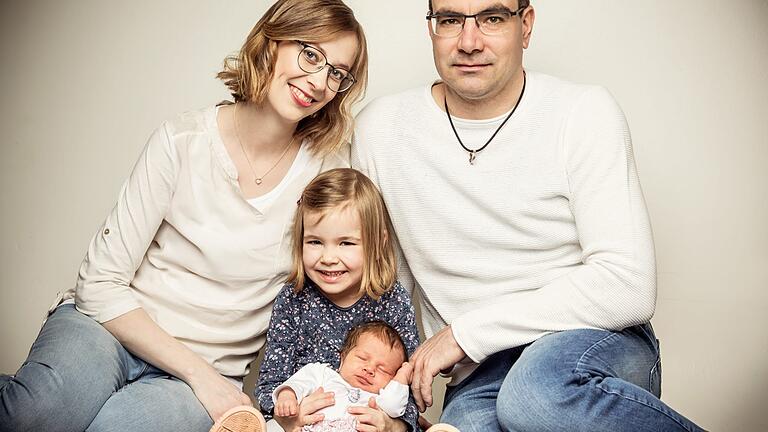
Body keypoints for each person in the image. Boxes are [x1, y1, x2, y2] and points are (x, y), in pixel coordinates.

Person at [0, 1, 367, 431]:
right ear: (273, 40)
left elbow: (351, 270)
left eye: (337, 73)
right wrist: (199, 373)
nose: (320, 81)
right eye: (310, 54)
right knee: (37, 415)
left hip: (203, 377)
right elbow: (99, 283)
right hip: (109, 330)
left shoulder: (326, 172)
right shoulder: (182, 141)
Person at [352, 1, 706, 431]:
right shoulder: (382, 129)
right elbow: (387, 281)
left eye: (492, 18)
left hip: (589, 345)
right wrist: (387, 391)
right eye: (449, 20)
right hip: (480, 375)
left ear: (526, 25)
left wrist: (466, 334)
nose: (468, 42)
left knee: (534, 393)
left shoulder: (582, 112)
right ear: (431, 29)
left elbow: (628, 284)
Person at [255, 168, 421, 432]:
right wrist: (289, 415)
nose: (328, 257)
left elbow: (411, 388)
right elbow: (270, 383)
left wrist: (391, 426)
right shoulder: (294, 298)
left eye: (346, 243)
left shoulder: (393, 301)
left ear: (377, 244)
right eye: (315, 242)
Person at [274, 321, 412, 431]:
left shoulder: (378, 400)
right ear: (343, 357)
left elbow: (394, 406)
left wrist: (402, 376)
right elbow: (300, 382)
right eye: (362, 358)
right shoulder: (324, 374)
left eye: (383, 370)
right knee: (273, 427)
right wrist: (288, 395)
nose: (369, 369)